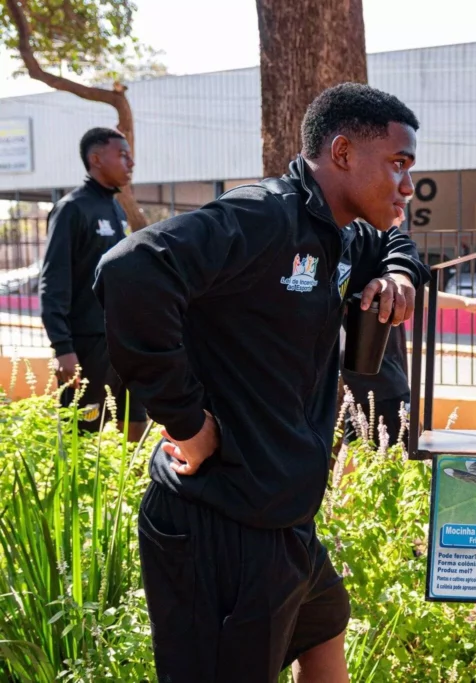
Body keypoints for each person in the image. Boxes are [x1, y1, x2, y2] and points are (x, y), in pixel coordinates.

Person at [93, 83, 430, 683]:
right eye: (398, 165)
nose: (408, 185)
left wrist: (400, 273)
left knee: (325, 624)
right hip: (219, 523)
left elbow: (393, 240)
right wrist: (187, 422)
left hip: (283, 517)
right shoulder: (264, 216)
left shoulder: (348, 230)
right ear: (345, 153)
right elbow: (130, 270)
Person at [339, 220, 476, 451]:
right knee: (404, 452)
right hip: (379, 380)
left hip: (377, 376)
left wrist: (465, 302)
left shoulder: (383, 257)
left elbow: (418, 294)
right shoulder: (359, 252)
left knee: (372, 454)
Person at [39, 127, 147, 441]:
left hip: (124, 340)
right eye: (122, 155)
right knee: (82, 435)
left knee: (136, 420)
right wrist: (63, 348)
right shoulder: (72, 209)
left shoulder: (115, 208)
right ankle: (79, 490)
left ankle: (131, 488)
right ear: (96, 158)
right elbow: (53, 281)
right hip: (87, 344)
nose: (131, 162)